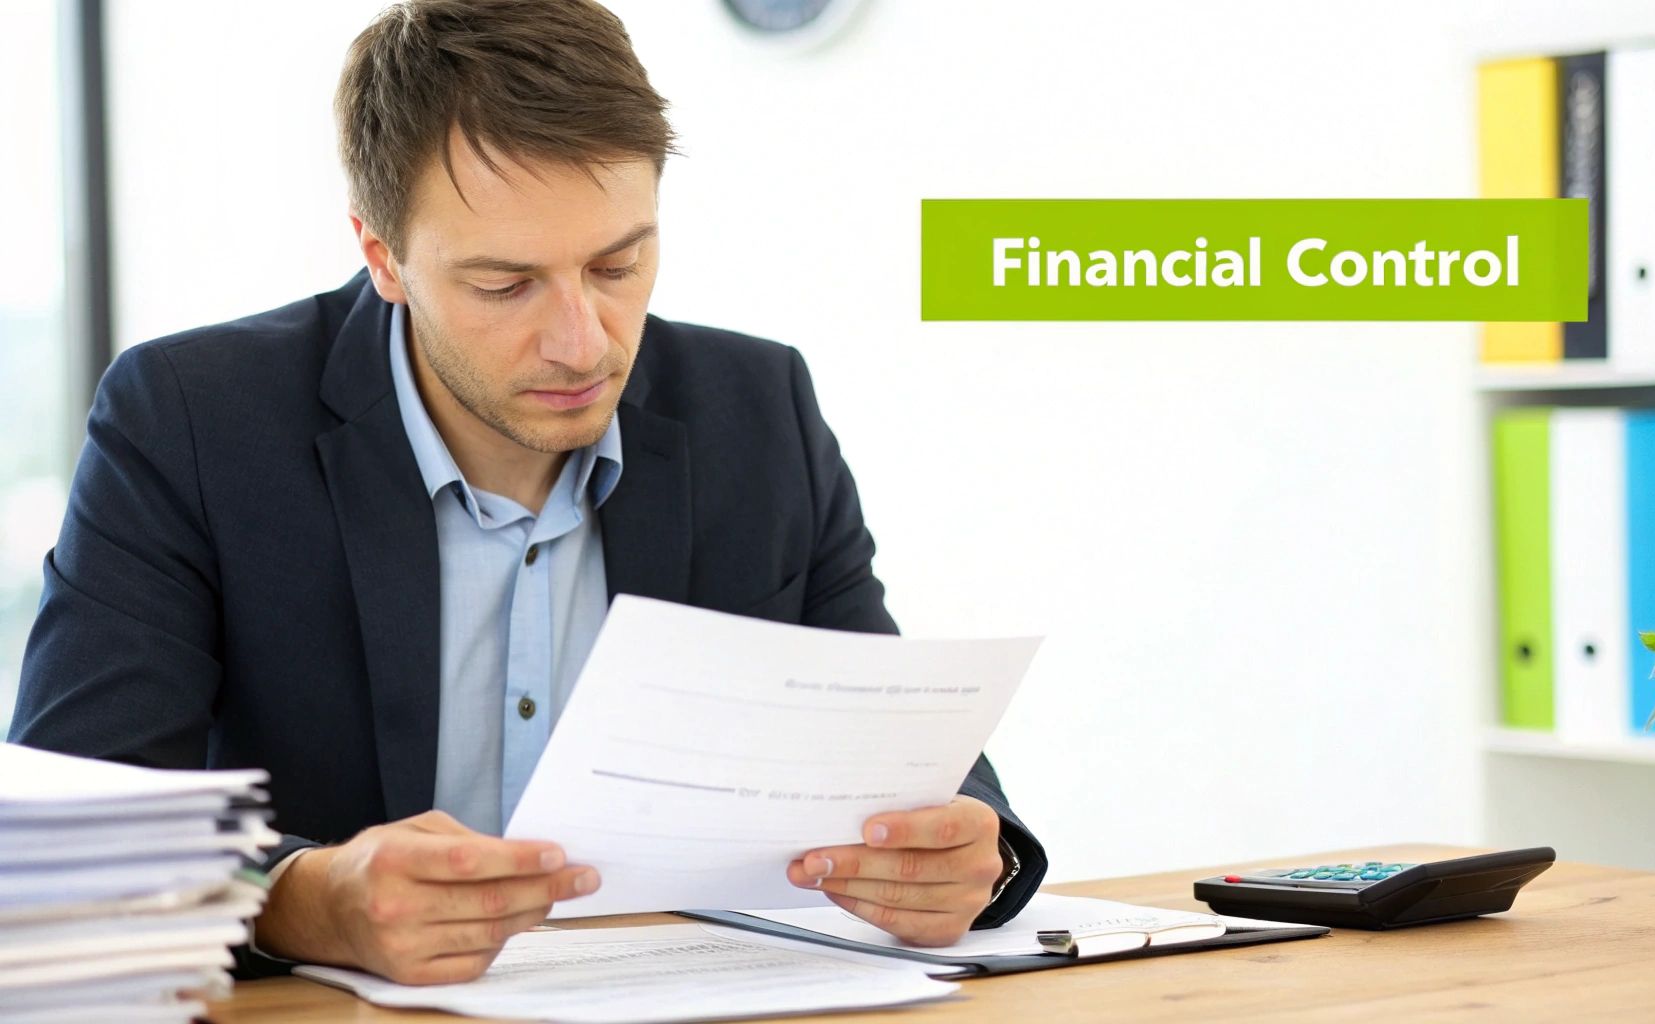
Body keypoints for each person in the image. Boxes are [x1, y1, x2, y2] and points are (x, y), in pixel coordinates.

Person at [9, 0, 1044, 985]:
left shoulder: (756, 410)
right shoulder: (191, 421)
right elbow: (62, 828)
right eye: (505, 285)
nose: (581, 343)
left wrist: (968, 850)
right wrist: (300, 899)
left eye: (617, 265)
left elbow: (897, 745)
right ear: (382, 256)